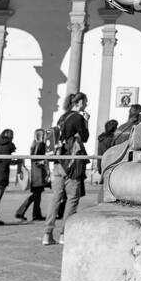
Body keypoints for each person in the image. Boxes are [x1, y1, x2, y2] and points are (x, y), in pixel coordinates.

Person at [43, 93, 90, 246]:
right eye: (86, 102)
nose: (86, 104)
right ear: (80, 102)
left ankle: (47, 234)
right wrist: (86, 122)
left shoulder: (62, 117)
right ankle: (64, 233)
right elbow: (84, 137)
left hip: (58, 162)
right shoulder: (78, 118)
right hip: (71, 163)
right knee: (72, 199)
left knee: (56, 198)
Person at [15, 129, 49, 222]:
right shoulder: (40, 144)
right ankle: (33, 214)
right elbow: (37, 160)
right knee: (37, 194)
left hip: (35, 172)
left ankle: (26, 212)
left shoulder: (34, 144)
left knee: (36, 194)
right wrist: (45, 162)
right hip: (39, 173)